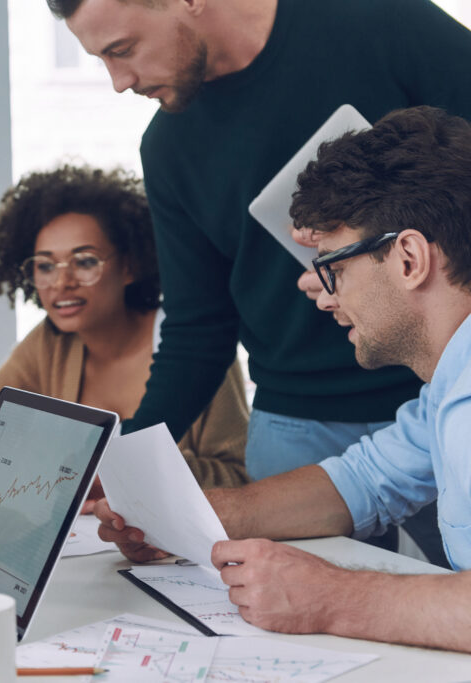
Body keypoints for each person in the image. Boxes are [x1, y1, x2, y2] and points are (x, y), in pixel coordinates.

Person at [46, 0, 471, 565]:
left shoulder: (380, 22)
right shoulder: (170, 149)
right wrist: (137, 477)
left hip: (436, 371)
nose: (119, 82)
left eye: (122, 50)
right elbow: (198, 328)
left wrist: (334, 599)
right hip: (305, 416)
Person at [96, 106, 471, 651]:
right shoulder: (446, 389)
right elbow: (363, 481)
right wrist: (190, 521)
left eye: (334, 269)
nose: (324, 295)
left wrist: (332, 596)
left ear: (409, 259)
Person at [0, 164, 249, 489]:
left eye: (84, 262)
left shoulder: (197, 344)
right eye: (45, 266)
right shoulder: (51, 342)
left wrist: (118, 470)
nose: (62, 283)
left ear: (131, 265)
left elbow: (239, 476)